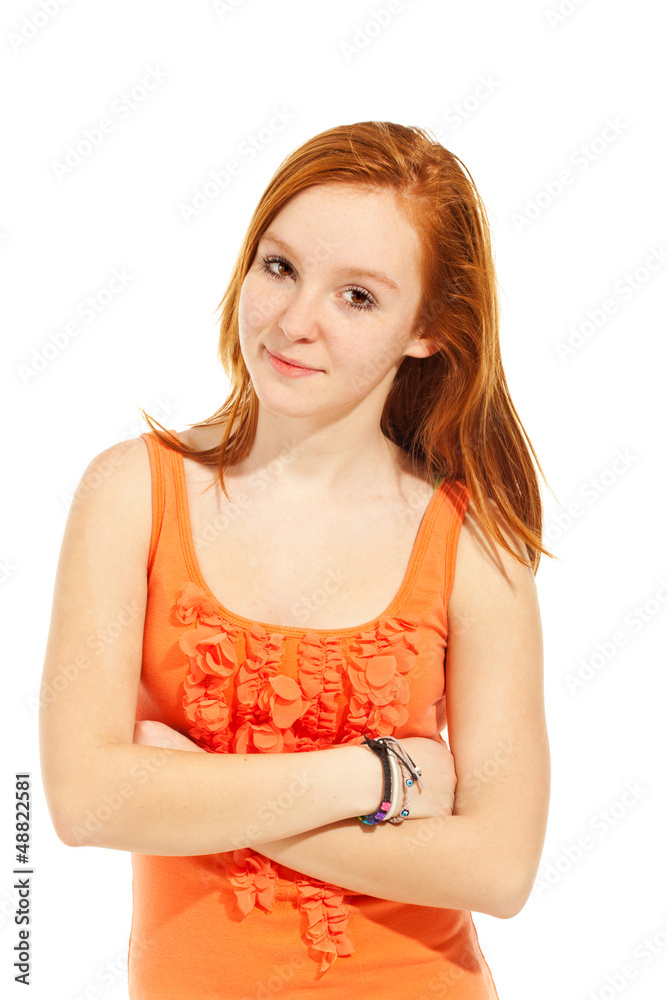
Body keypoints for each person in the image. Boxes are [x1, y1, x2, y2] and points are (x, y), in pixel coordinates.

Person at [39, 120, 552, 999]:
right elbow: (85, 805)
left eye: (357, 296)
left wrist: (186, 792)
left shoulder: (471, 541)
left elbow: (499, 868)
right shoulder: (131, 493)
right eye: (279, 267)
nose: (293, 320)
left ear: (427, 327)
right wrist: (380, 775)